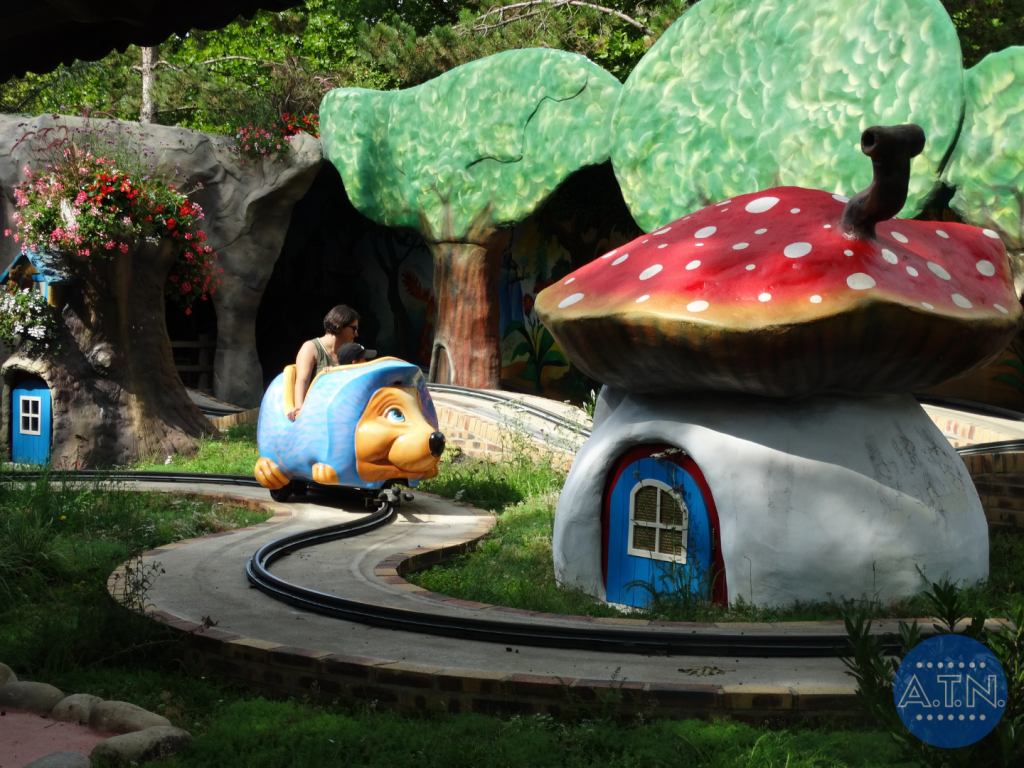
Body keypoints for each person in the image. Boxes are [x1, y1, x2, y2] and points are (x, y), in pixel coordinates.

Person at [286, 305, 360, 421]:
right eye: (354, 329)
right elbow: (302, 380)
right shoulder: (310, 348)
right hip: (317, 414)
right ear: (340, 326)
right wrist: (300, 409)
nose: (356, 334)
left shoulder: (349, 351)